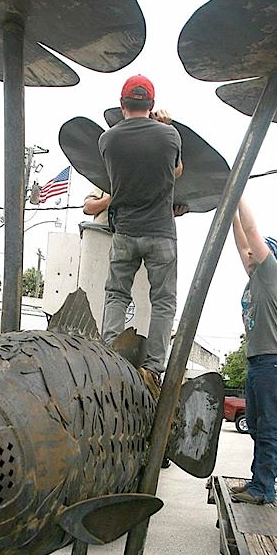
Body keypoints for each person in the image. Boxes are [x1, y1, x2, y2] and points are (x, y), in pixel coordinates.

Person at [98, 74, 184, 392]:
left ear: (122, 105)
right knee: (163, 300)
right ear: (151, 104)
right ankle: (153, 368)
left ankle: (110, 357)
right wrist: (165, 123)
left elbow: (119, 177)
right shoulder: (170, 136)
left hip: (125, 231)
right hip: (161, 231)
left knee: (117, 294)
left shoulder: (107, 140)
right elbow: (174, 172)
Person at [230, 196, 277, 505]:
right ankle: (258, 481)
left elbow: (251, 230)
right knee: (255, 425)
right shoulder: (254, 277)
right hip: (258, 364)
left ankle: (264, 489)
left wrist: (239, 193)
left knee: (268, 427)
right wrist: (229, 210)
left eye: (257, 249)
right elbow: (242, 241)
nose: (249, 252)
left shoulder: (269, 274)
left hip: (273, 361)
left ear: (269, 255)